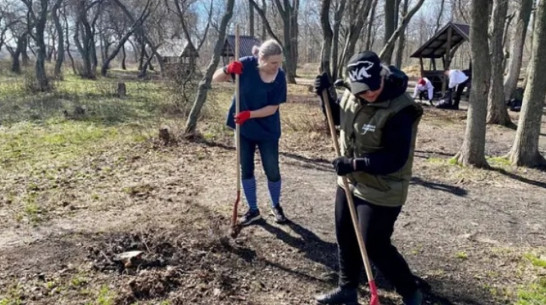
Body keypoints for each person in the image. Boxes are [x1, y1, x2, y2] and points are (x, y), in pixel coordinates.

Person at [313, 51, 424, 305]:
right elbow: (339, 118)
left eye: (373, 88)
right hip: (350, 180)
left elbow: (395, 158)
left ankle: (411, 293)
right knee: (345, 233)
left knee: (374, 243)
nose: (369, 94)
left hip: (384, 186)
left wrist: (353, 163)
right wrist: (325, 97)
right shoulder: (354, 92)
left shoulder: (400, 109)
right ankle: (347, 289)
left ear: (382, 75)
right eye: (362, 91)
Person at [212, 39, 288, 225]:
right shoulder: (246, 65)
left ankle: (276, 205)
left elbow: (273, 108)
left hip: (267, 130)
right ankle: (253, 210)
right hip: (243, 129)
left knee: (272, 169)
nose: (277, 66)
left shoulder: (280, 77)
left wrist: (250, 114)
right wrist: (228, 69)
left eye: (279, 62)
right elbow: (215, 79)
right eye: (273, 62)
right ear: (261, 58)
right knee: (246, 169)